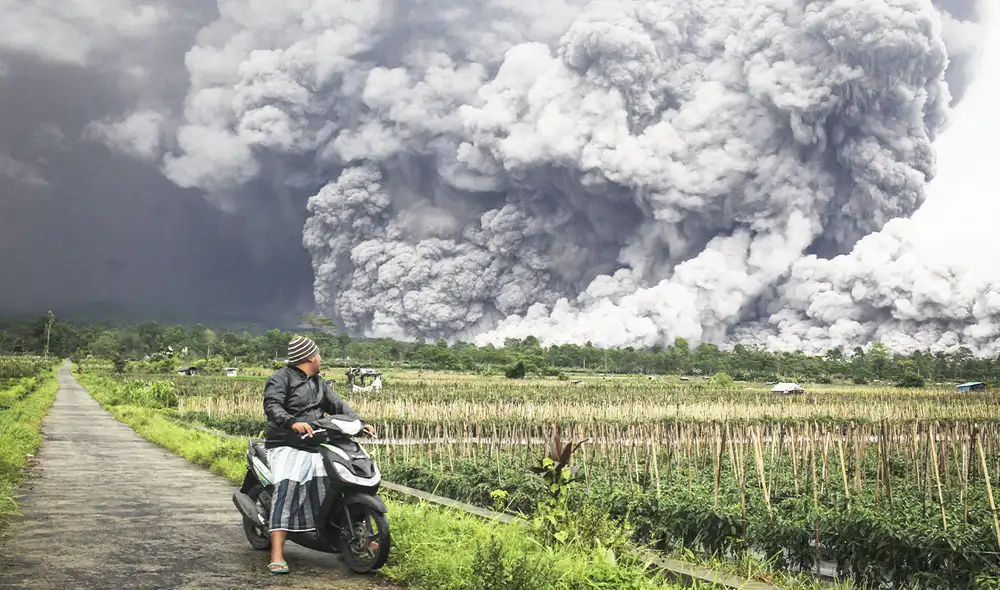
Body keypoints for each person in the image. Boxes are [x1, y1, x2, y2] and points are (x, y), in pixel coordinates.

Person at [262, 335, 376, 574]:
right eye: (318, 354)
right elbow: (273, 406)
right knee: (288, 484)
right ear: (309, 357)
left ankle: (346, 535)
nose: (320, 358)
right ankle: (277, 553)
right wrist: (292, 423)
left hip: (316, 441)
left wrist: (360, 422)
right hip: (286, 443)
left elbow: (338, 406)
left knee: (336, 480)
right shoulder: (280, 379)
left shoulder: (319, 383)